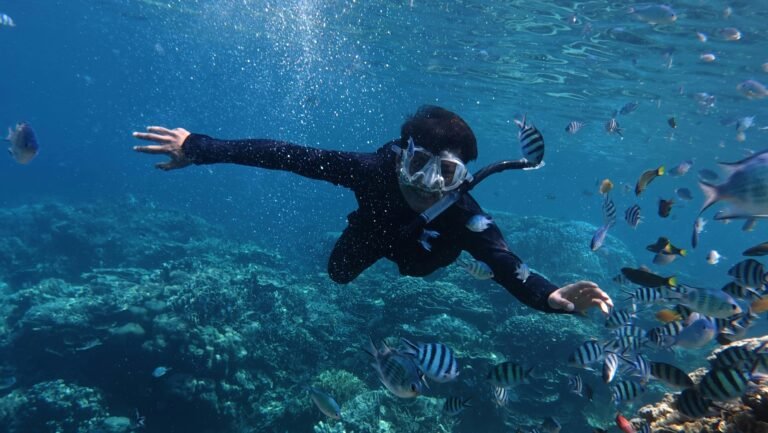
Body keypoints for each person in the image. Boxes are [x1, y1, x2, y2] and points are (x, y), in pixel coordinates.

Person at [133, 105, 613, 315]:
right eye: (420, 164)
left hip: (427, 252)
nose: (429, 183)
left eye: (444, 174)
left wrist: (551, 297)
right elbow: (285, 155)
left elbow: (506, 264)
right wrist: (200, 146)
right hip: (371, 232)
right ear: (402, 153)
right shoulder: (372, 170)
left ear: (462, 177)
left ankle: (429, 250)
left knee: (418, 267)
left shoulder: (462, 211)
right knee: (338, 274)